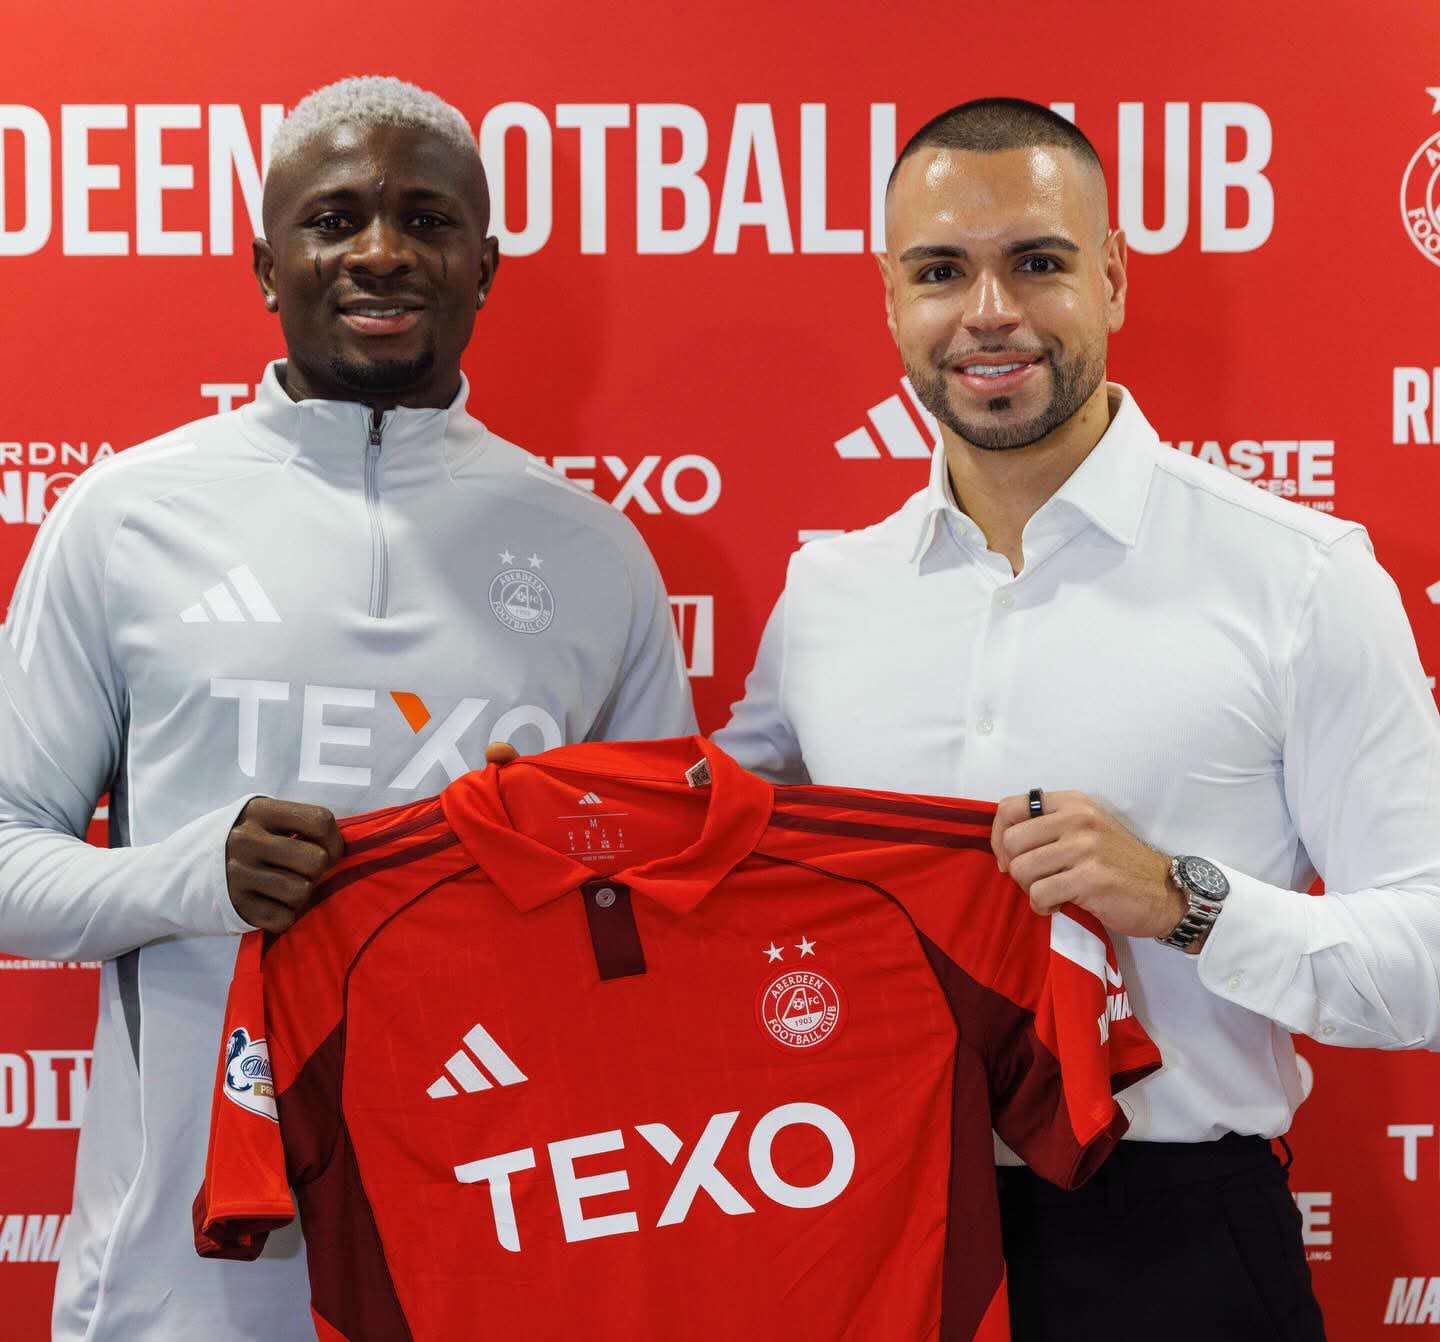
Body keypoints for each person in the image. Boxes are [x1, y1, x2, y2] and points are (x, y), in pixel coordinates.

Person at [715, 96, 1440, 1341]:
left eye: (1037, 263)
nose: (988, 312)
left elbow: (1426, 967)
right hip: (867, 1226)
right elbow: (717, 839)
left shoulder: (1300, 576)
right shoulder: (828, 595)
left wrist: (1182, 898)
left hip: (1176, 1244)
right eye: (941, 270)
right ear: (890, 298)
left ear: (1110, 279)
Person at [0, 76, 695, 1342]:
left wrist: (562, 876)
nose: (381, 252)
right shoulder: (125, 517)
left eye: (426, 220)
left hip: (497, 1247)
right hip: (186, 1275)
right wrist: (187, 877)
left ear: (486, 265)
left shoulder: (595, 552)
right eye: (334, 221)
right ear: (265, 264)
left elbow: (662, 912)